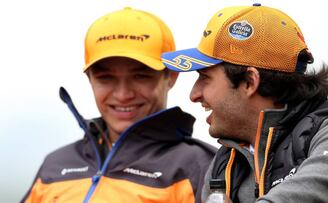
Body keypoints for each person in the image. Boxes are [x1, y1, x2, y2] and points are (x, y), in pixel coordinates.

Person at [162, 4, 328, 203]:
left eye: (205, 77)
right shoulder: (223, 165)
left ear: (250, 81)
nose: (194, 95)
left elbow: (317, 191)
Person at [22, 7, 216, 203]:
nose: (123, 95)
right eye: (106, 78)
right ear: (90, 79)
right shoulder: (54, 167)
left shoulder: (202, 167)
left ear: (171, 77)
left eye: (140, 76)